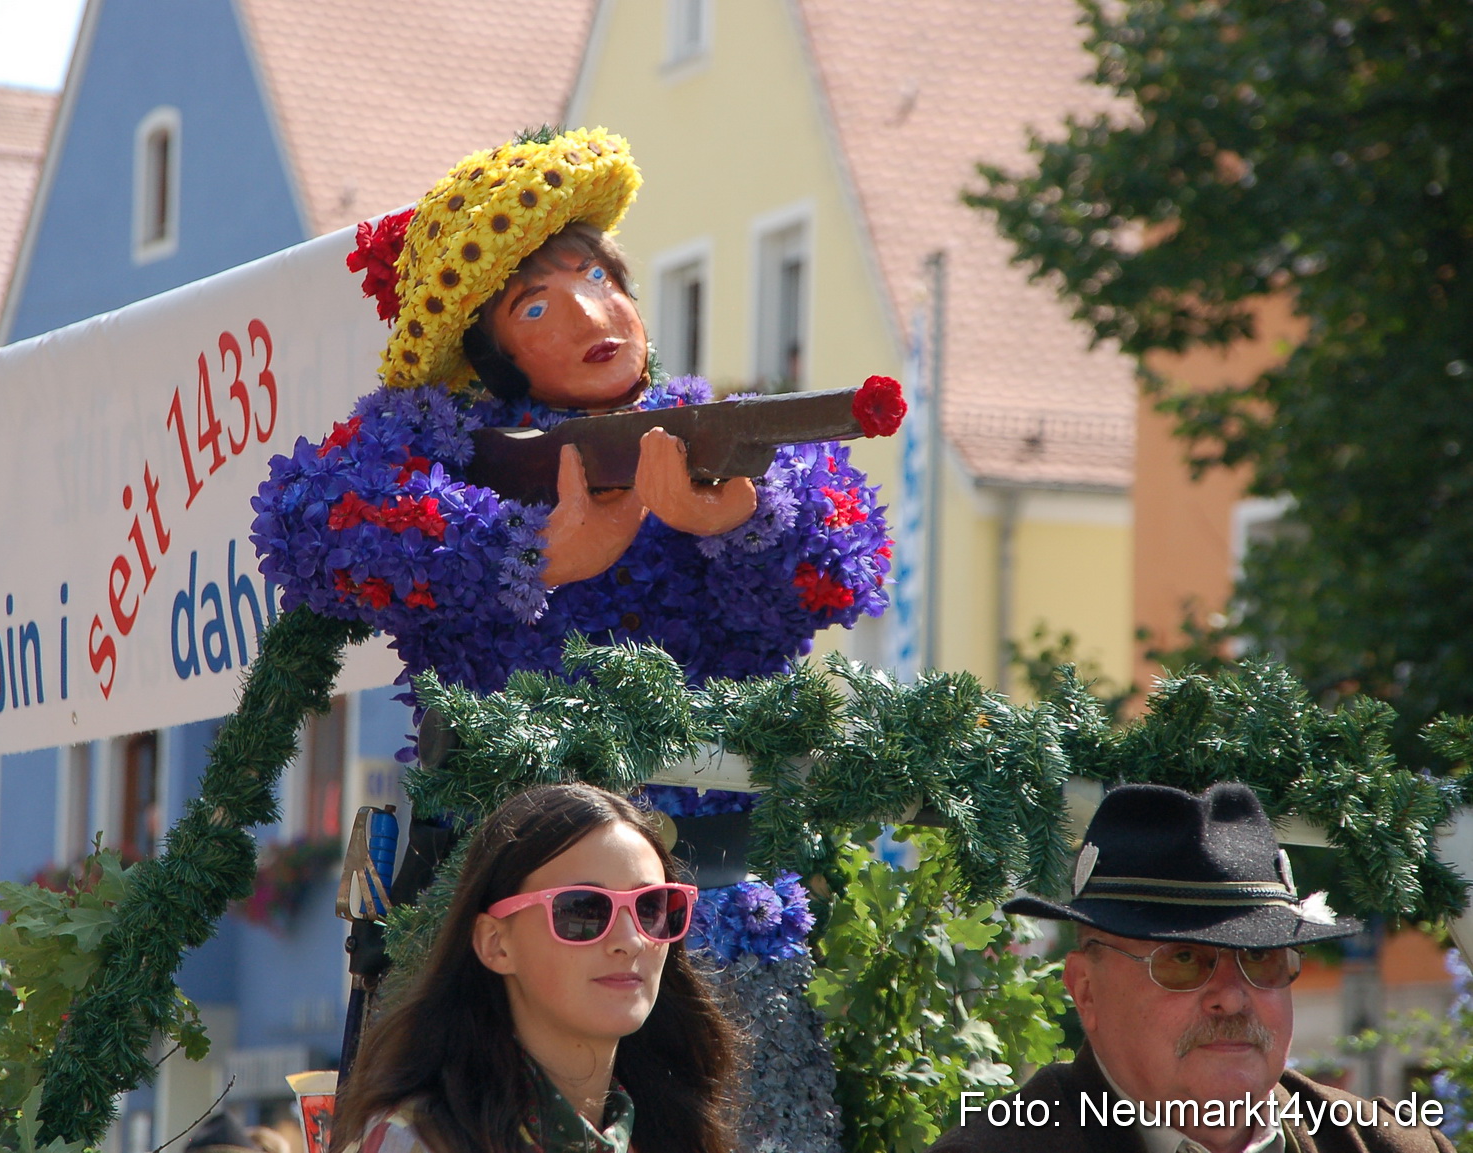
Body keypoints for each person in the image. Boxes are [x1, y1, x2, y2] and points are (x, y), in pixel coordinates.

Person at [251, 127, 892, 698]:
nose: (590, 316)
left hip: (716, 811)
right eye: (533, 308)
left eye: (595, 279)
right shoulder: (455, 438)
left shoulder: (703, 420)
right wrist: (526, 553)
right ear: (493, 357)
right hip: (525, 809)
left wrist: (742, 521)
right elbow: (303, 520)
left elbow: (842, 574)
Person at [927, 782, 1452, 1153]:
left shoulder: (1388, 1145)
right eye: (1183, 959)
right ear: (1085, 991)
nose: (1232, 997)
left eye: (1261, 959)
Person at [332, 782, 739, 1153]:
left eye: (651, 907)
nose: (630, 941)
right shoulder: (419, 1141)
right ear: (496, 943)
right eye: (583, 910)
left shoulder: (679, 1133)